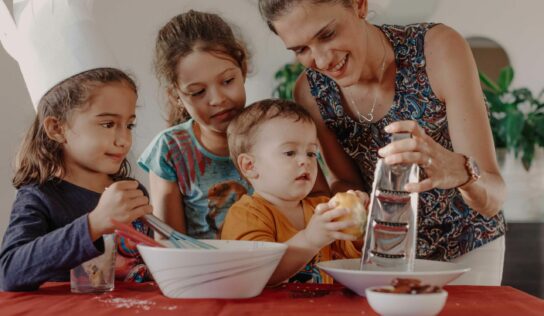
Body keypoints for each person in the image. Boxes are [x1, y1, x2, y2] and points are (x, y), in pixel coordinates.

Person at [258, 0, 506, 285]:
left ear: (359, 5)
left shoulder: (437, 49)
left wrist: (459, 170)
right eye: (301, 49)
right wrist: (349, 204)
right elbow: (344, 180)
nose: (322, 61)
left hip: (468, 244)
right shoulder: (311, 92)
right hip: (382, 253)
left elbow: (493, 197)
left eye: (327, 35)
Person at [0, 68, 153, 291]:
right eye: (108, 124)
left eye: (129, 125)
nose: (124, 140)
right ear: (57, 128)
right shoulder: (41, 196)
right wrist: (94, 224)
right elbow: (9, 272)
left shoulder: (130, 191)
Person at [222, 99, 368, 285]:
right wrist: (309, 240)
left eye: (311, 153)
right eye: (290, 152)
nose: (305, 161)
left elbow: (353, 260)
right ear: (250, 166)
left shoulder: (322, 208)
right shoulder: (246, 215)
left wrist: (359, 225)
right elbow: (254, 274)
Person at [138, 10, 255, 240]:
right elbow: (170, 244)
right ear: (176, 96)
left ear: (243, 68)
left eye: (227, 81)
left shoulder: (275, 130)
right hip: (203, 273)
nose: (218, 99)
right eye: (198, 92)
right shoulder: (171, 150)